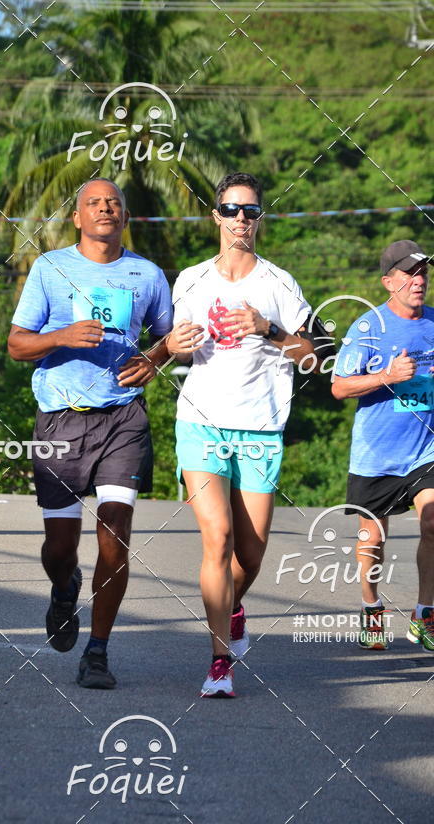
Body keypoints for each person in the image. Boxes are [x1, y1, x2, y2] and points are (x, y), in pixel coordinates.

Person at [165, 172, 327, 697]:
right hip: (201, 423)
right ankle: (219, 663)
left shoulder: (278, 284)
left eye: (250, 212)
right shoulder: (191, 279)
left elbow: (312, 358)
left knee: (250, 556)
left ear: (260, 219)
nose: (240, 219)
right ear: (215, 215)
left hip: (259, 427)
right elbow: (178, 346)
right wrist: (178, 345)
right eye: (231, 210)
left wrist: (269, 329)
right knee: (218, 538)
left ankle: (233, 607)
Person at [8, 178, 172, 689]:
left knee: (116, 537)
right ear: (77, 217)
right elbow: (16, 344)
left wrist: (155, 357)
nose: (105, 209)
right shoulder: (51, 267)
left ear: (125, 217)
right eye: (94, 203)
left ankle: (97, 652)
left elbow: (170, 337)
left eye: (114, 203)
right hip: (60, 417)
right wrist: (60, 337)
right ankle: (63, 588)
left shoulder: (146, 274)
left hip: (122, 418)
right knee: (60, 547)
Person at [332, 239, 434, 653]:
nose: (419, 280)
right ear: (388, 281)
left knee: (432, 522)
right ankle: (371, 610)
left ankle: (425, 614)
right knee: (372, 541)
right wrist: (387, 375)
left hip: (424, 450)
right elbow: (339, 386)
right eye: (410, 273)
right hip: (376, 454)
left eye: (423, 272)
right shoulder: (367, 328)